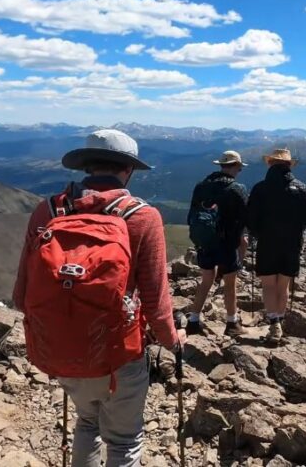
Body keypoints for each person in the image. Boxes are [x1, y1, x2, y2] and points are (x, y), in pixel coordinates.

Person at [13, 129, 185, 467]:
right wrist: (173, 340)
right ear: (128, 170)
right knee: (123, 440)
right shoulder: (142, 217)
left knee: (87, 423)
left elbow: (21, 296)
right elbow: (155, 302)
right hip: (119, 355)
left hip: (62, 350)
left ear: (86, 166)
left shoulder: (46, 212)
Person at [247, 148, 306, 345]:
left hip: (267, 243)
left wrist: (259, 230)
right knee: (283, 285)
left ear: (270, 164)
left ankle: (273, 323)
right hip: (292, 243)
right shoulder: (301, 188)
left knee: (269, 285)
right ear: (289, 165)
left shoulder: (259, 188)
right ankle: (279, 321)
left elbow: (250, 221)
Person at [187, 151, 249, 337]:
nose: (240, 170)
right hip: (227, 243)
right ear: (236, 166)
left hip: (204, 241)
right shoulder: (237, 188)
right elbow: (246, 216)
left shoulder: (201, 186)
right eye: (239, 167)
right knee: (230, 283)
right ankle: (232, 323)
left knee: (207, 279)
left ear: (221, 166)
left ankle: (193, 320)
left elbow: (192, 214)